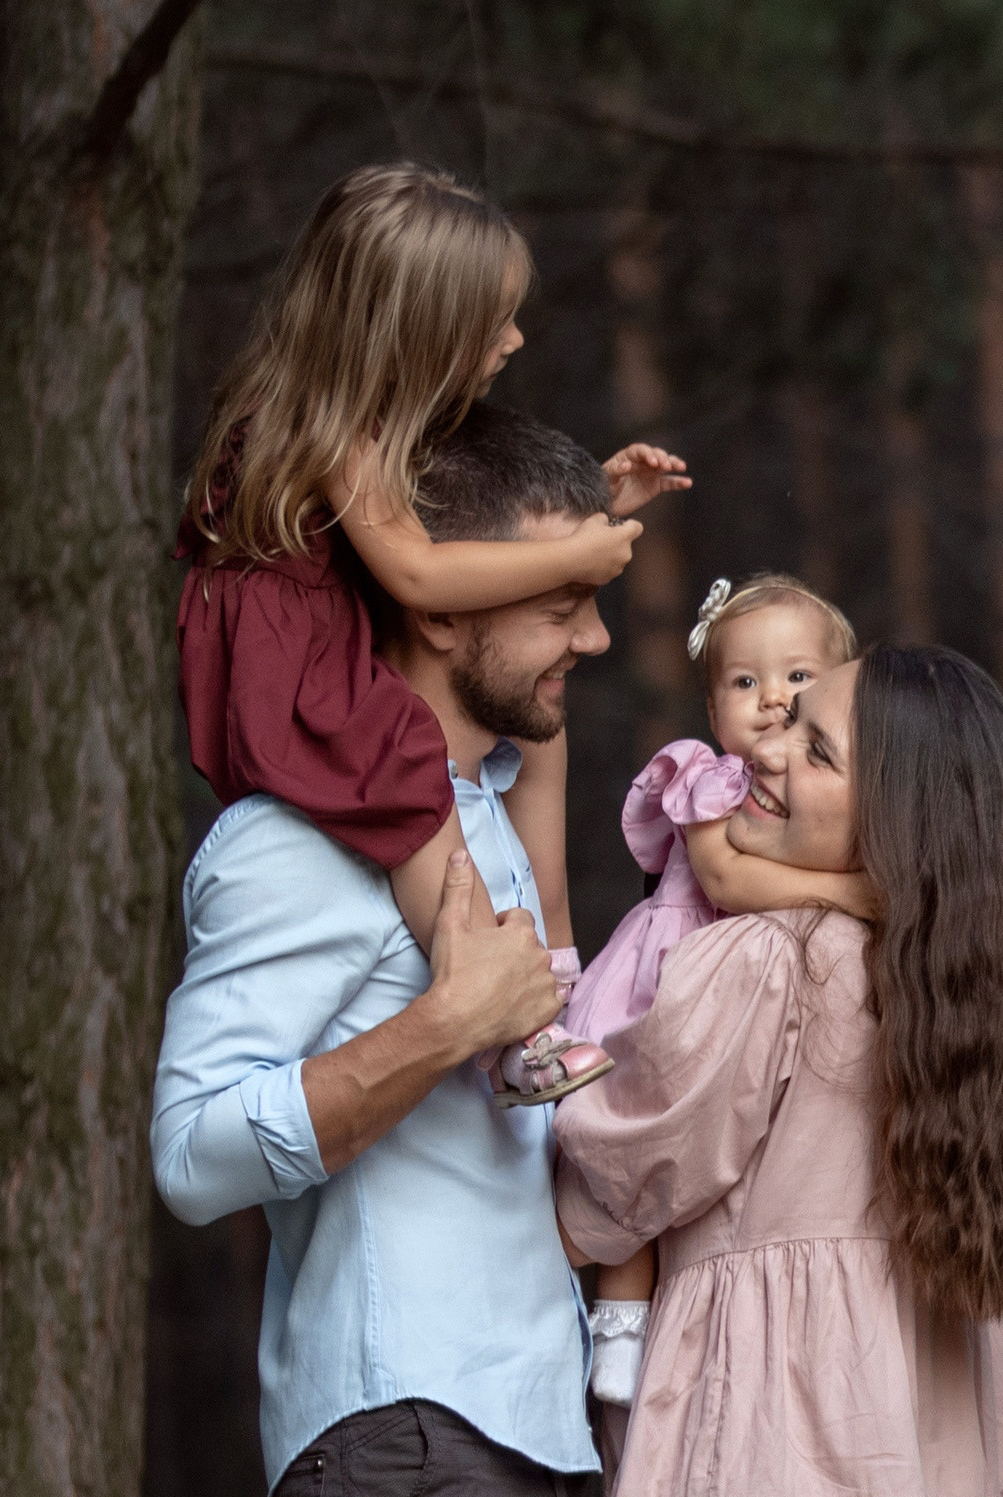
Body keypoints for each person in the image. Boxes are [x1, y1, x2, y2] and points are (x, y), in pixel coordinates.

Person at [150, 407, 620, 1497]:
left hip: (545, 1435)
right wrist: (440, 1027)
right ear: (447, 605)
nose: (594, 634)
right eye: (556, 598)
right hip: (408, 1439)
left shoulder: (492, 819)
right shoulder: (293, 839)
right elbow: (189, 1154)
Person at [553, 643, 1003, 1497]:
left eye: (816, 745)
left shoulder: (770, 961)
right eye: (780, 716)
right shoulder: (954, 995)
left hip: (775, 1454)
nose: (765, 746)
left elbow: (605, 1184)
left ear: (890, 819)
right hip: (922, 1488)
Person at [175, 159, 689, 1104]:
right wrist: (575, 560)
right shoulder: (332, 426)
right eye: (490, 324)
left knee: (533, 725)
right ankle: (501, 1018)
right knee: (406, 769)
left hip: (337, 630)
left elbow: (459, 536)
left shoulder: (368, 416)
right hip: (300, 665)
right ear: (412, 330)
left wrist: (587, 515)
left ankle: (552, 969)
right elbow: (418, 570)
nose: (515, 337)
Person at [562, 574, 879, 1416]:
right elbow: (723, 875)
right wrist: (850, 896)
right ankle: (620, 1321)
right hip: (669, 972)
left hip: (734, 998)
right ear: (711, 711)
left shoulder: (843, 797)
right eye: (745, 682)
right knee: (639, 1160)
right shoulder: (707, 776)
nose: (773, 698)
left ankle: (632, 1318)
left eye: (799, 679)